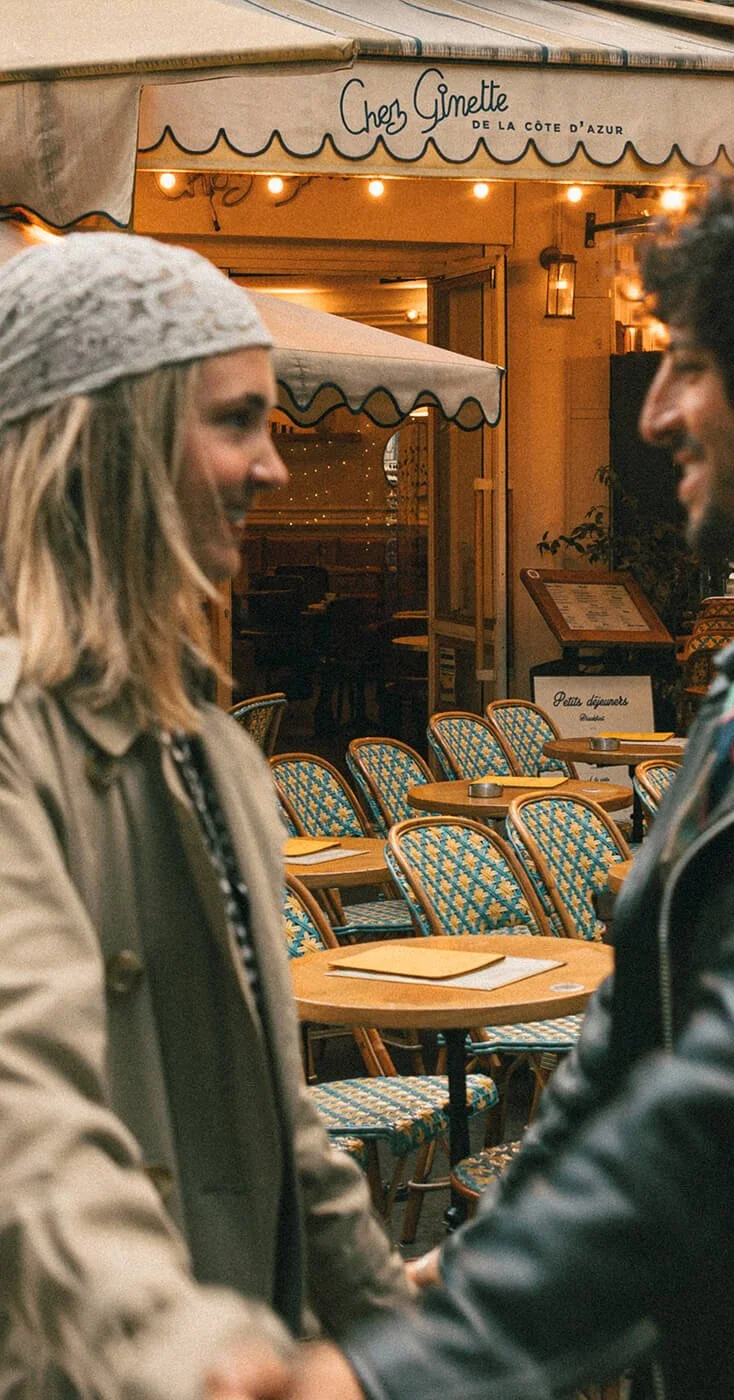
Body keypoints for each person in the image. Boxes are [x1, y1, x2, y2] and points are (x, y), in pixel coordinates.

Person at [278, 144, 734, 1400]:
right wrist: (478, 1267)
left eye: (691, 361)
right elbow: (632, 1048)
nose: (653, 412)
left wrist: (430, 1360)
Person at [0, 232, 414, 1400]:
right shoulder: (11, 739)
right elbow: (20, 1111)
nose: (274, 467)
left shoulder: (216, 749)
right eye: (236, 421)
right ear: (114, 443)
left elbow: (280, 1126)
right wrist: (187, 1349)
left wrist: (404, 1332)